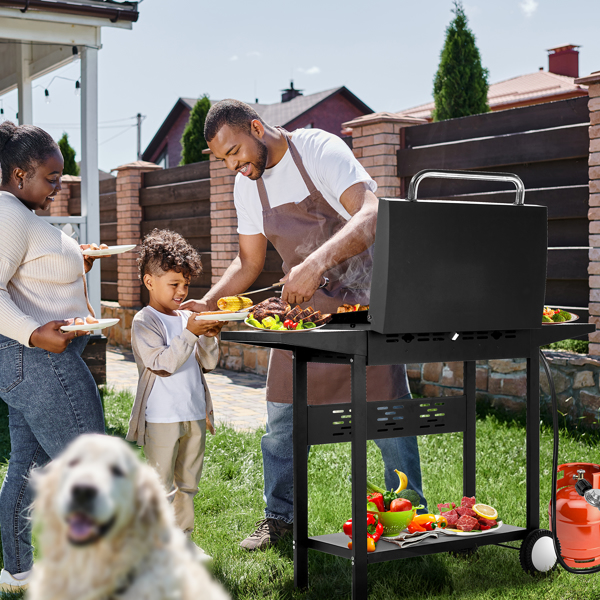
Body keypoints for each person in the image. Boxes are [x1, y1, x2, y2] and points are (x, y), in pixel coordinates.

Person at [182, 100, 427, 550]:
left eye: (236, 151)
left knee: (387, 413)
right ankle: (280, 518)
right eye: (224, 159)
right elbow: (249, 260)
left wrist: (314, 263)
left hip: (363, 306)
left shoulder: (318, 149)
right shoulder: (247, 186)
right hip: (302, 316)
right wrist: (210, 303)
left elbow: (372, 214)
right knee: (281, 418)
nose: (234, 165)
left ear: (257, 127)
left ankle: (412, 512)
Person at [0, 121, 105, 592]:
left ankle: (19, 569)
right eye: (52, 177)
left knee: (27, 467)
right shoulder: (8, 214)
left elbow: (30, 276)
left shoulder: (18, 213)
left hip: (26, 365)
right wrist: (32, 334)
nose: (59, 187)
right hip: (37, 362)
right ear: (20, 174)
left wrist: (74, 261)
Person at [126, 229, 220, 560]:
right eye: (173, 284)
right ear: (149, 281)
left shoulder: (186, 318)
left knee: (187, 483)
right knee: (160, 485)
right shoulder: (143, 321)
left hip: (194, 413)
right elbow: (163, 365)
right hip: (161, 417)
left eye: (185, 284)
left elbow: (208, 363)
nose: (181, 292)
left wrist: (207, 334)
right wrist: (191, 333)